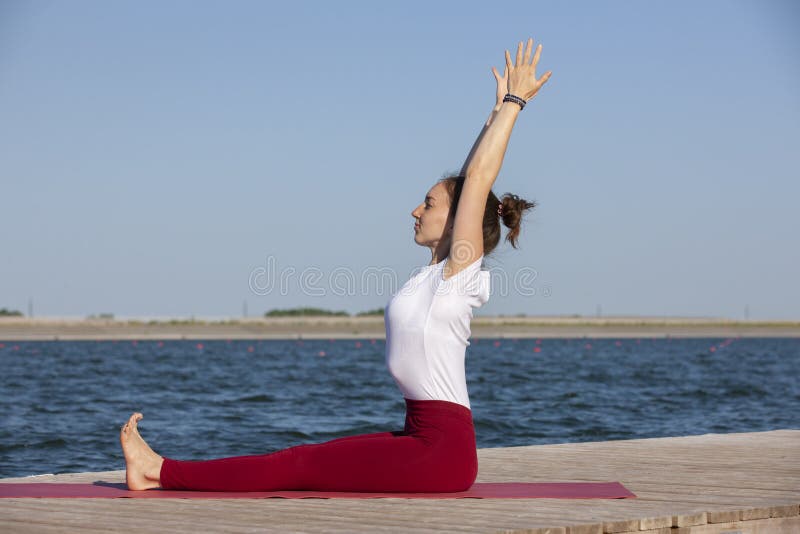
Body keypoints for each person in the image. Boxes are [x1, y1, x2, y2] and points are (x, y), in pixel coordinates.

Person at [120, 37, 552, 492]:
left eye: (427, 203)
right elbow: (472, 178)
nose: (415, 210)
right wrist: (491, 117)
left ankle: (158, 472)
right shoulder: (434, 275)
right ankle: (158, 472)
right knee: (300, 460)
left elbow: (479, 180)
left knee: (296, 464)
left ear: (456, 222)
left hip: (440, 450)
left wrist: (514, 103)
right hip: (423, 438)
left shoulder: (457, 278)